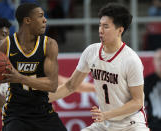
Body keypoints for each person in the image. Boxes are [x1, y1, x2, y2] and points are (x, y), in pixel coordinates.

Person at [49, 3, 149, 131]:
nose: (100, 30)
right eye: (100, 25)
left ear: (120, 30)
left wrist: (106, 114)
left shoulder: (131, 60)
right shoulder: (91, 51)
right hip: (104, 124)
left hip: (131, 124)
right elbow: (71, 86)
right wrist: (41, 99)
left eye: (106, 26)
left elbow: (137, 102)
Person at [0, 3, 67, 131]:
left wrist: (21, 78)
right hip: (16, 113)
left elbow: (52, 85)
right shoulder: (5, 45)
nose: (45, 20)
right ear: (28, 20)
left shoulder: (49, 44)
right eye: (40, 16)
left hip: (44, 111)